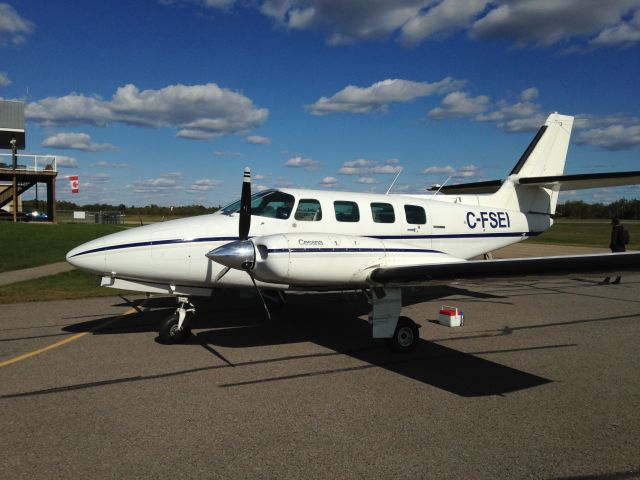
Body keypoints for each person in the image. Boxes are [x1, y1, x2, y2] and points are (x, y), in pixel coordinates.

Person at [601, 217, 626, 284]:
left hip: (616, 249)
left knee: (611, 264)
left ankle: (607, 279)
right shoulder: (623, 229)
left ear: (614, 223)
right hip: (623, 248)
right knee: (620, 264)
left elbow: (613, 241)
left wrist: (611, 247)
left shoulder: (615, 230)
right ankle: (618, 279)